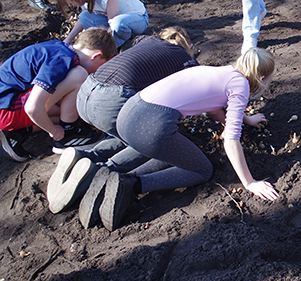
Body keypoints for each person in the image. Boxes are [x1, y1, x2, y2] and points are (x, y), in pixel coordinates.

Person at [84, 47, 279, 231]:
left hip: (129, 112)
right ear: (261, 77)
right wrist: (249, 182)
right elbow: (231, 139)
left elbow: (215, 106)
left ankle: (108, 174)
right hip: (151, 125)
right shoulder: (241, 84)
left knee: (173, 151)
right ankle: (131, 185)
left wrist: (246, 119)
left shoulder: (218, 71)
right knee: (202, 170)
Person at [46, 27, 198, 223]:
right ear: (186, 45)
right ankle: (100, 170)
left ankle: (84, 156)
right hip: (113, 98)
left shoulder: (146, 40)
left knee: (126, 133)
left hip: (86, 92)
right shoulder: (184, 60)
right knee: (149, 140)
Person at [0, 28, 116, 162]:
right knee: (79, 74)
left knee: (62, 114)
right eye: (99, 67)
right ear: (95, 56)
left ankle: (18, 132)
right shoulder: (62, 59)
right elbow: (32, 108)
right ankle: (67, 137)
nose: (95, 72)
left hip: (8, 105)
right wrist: (54, 131)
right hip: (6, 111)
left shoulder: (60, 48)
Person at [55, 0, 149, 49]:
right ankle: (116, 42)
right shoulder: (85, 0)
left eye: (71, 2)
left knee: (117, 23)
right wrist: (68, 39)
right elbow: (83, 20)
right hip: (116, 23)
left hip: (139, 19)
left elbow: (112, 25)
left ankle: (123, 45)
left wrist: (103, 46)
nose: (70, 5)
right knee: (84, 17)